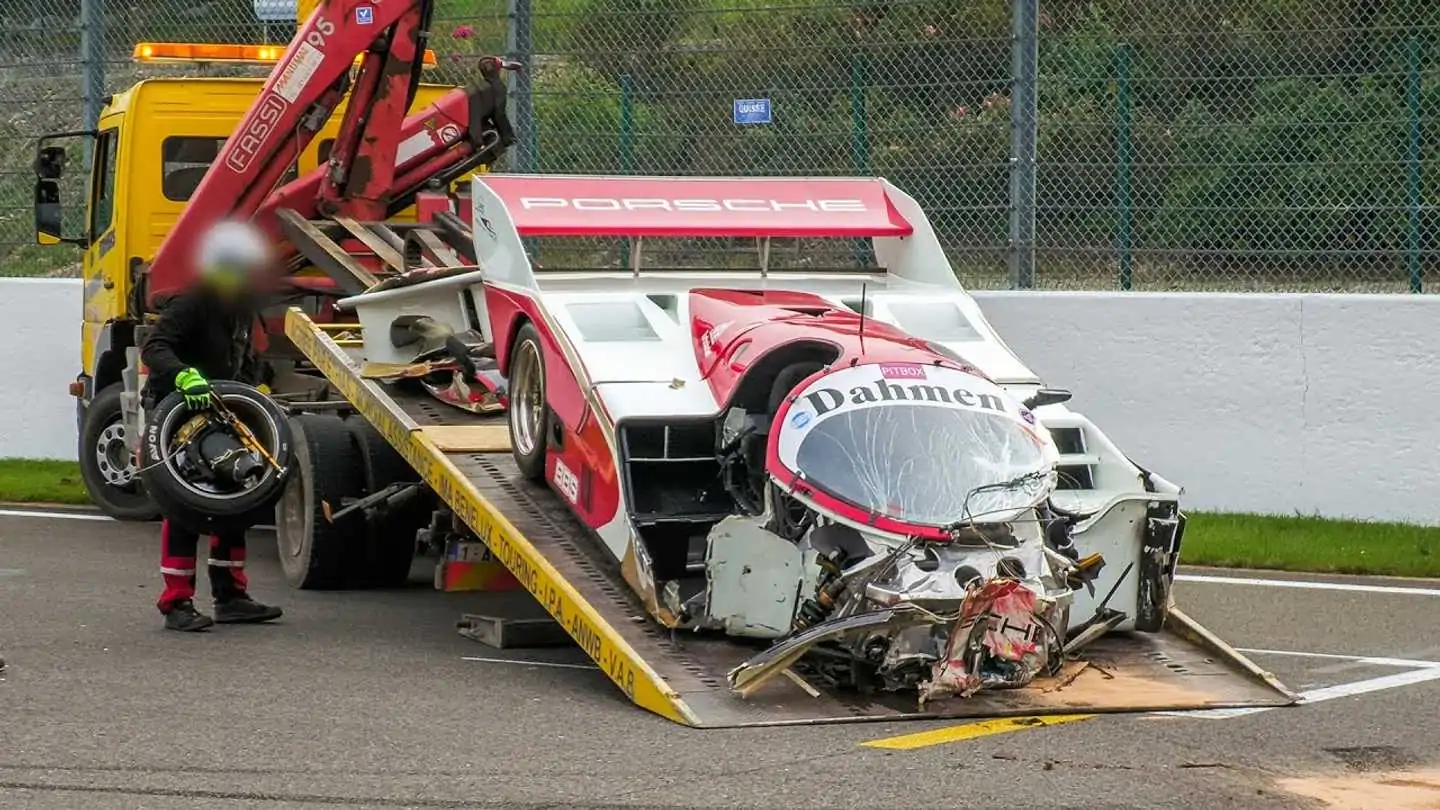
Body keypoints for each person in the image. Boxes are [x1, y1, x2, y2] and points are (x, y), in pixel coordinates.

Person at [140, 220, 285, 632]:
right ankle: (177, 603)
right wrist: (184, 376)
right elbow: (156, 346)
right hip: (181, 414)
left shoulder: (241, 308)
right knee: (185, 507)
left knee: (237, 499)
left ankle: (231, 596)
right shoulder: (192, 303)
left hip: (225, 413)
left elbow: (244, 357)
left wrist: (258, 385)